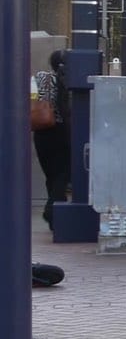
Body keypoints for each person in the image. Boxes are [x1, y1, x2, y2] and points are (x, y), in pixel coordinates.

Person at [31, 49, 69, 226]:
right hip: (62, 132)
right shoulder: (68, 81)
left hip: (41, 133)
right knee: (63, 173)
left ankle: (54, 211)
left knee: (51, 174)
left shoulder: (39, 77)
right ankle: (53, 210)